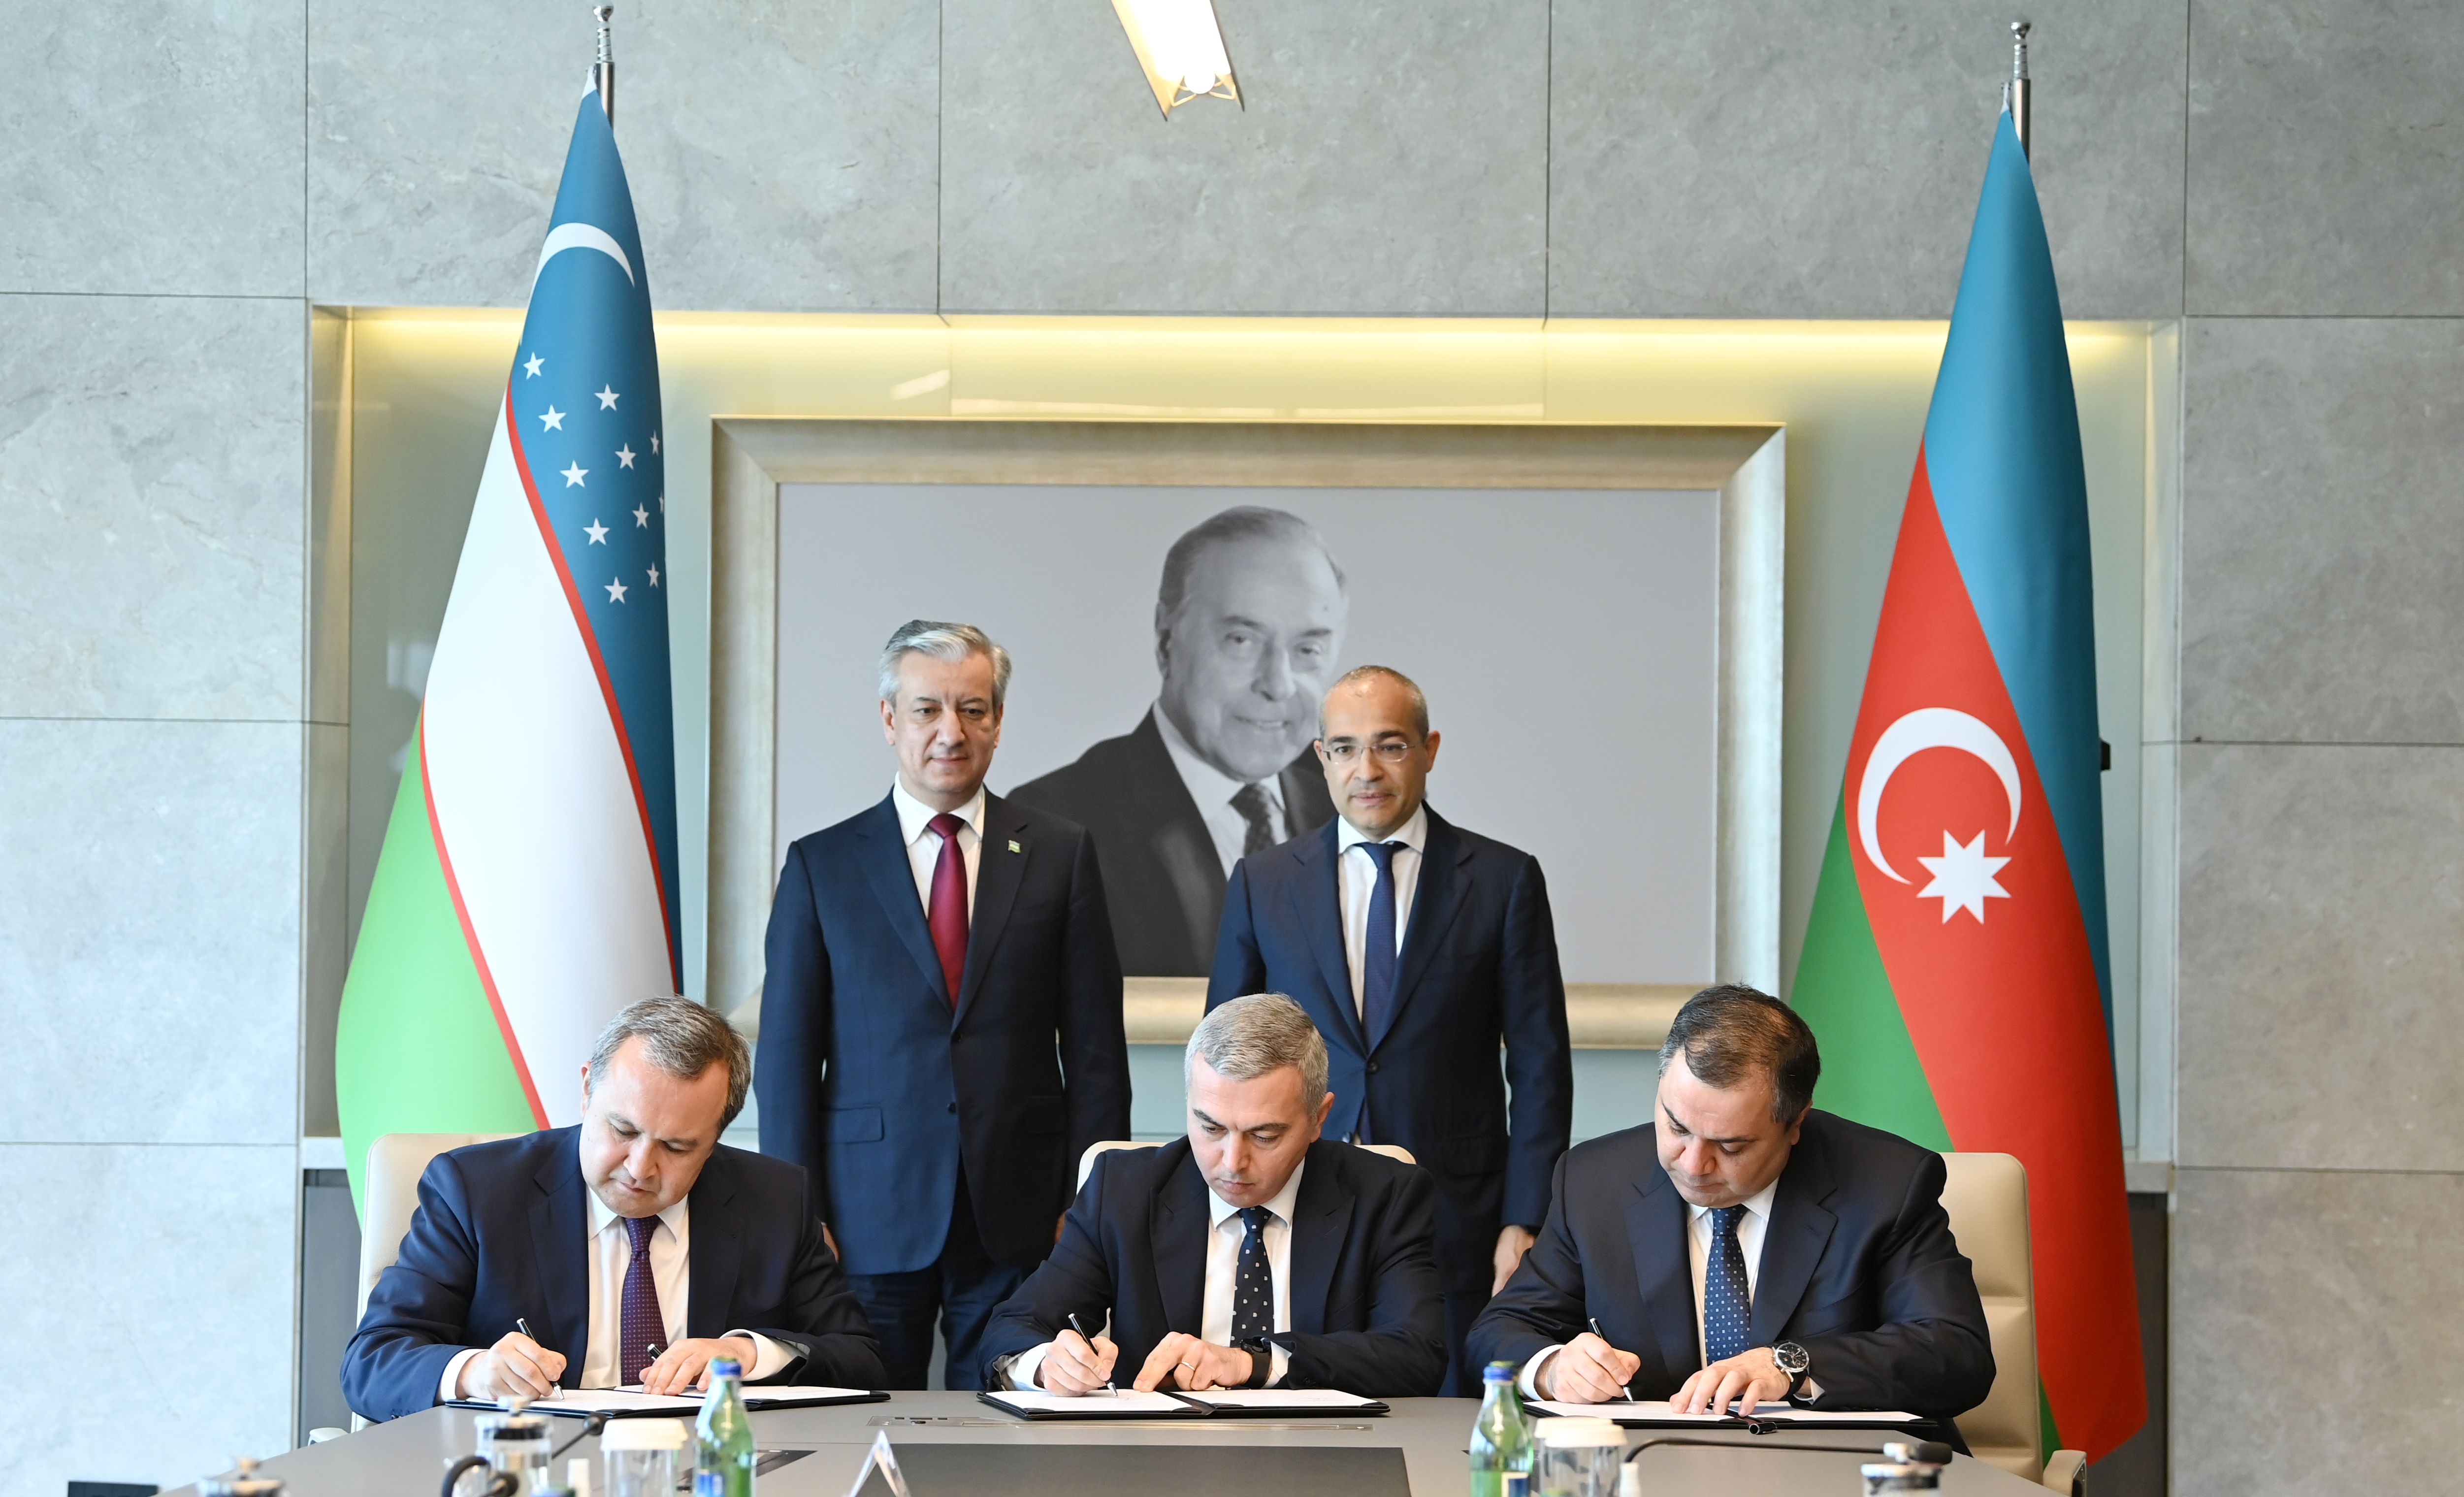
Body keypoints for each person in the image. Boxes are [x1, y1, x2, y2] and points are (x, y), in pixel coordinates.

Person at [757, 619, 1132, 1390]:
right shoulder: (822, 865)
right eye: (927, 709)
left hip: (1023, 1215)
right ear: (890, 719)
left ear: (998, 721)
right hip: (864, 1213)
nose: (951, 732)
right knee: (858, 1410)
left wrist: (1088, 1202)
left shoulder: (1061, 854)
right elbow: (787, 1060)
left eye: (973, 709)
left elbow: (1096, 1051)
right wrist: (799, 1215)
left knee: (1007, 1418)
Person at [1207, 665, 1571, 1394]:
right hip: (1303, 1197)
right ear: (1320, 757)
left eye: (1390, 746)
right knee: (1310, 1394)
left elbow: (1540, 1065)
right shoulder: (1263, 881)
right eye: (1344, 748)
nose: (1366, 770)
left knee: (1451, 1409)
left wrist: (1524, 1218)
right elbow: (1225, 1056)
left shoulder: (1503, 880)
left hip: (1458, 1214)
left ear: (1429, 749)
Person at [1468, 986, 1995, 1436]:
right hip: (1655, 1472)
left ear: (1795, 1124)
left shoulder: (1888, 1184)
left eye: (1731, 1146)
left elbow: (1956, 1353)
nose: (1692, 1164)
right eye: (1676, 1127)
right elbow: (1499, 1330)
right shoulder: (1593, 1181)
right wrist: (1552, 1368)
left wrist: (1791, 1365)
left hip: (1837, 1471)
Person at [343, 998, 883, 1422]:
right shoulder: (476, 1191)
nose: (640, 1168)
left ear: (715, 1138)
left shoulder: (776, 1199)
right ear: (586, 1090)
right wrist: (474, 1372)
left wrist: (749, 1354)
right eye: (623, 1130)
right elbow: (374, 1361)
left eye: (677, 1147)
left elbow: (861, 1360)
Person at [977, 993, 1446, 1397]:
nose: (1232, 1162)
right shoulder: (1122, 1191)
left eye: (1264, 1136)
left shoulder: (1385, 1195)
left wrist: (1251, 1363)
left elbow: (1417, 1353)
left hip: (1330, 1454)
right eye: (1211, 1128)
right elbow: (1013, 1329)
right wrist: (1046, 1365)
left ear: (1318, 1118)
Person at [1010, 507, 1347, 976]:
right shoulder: (1056, 830)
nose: (1279, 684)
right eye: (1241, 640)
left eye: (1307, 649)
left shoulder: (1354, 812)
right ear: (1166, 639)